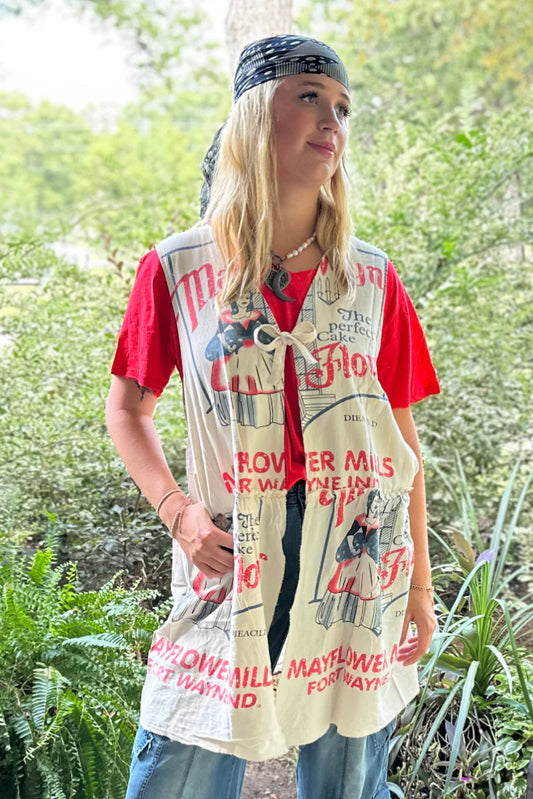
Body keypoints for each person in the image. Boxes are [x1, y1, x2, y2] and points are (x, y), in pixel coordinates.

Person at [106, 33, 440, 799]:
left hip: (357, 559)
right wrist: (177, 511)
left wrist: (420, 587)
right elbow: (126, 408)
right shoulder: (177, 268)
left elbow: (401, 442)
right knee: (179, 764)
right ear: (255, 115)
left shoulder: (372, 278)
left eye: (343, 107)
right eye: (309, 97)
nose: (332, 121)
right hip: (231, 550)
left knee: (348, 780)